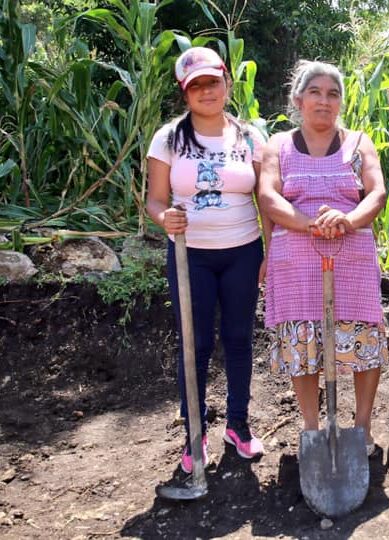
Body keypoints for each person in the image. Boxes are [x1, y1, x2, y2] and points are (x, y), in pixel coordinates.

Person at [146, 46, 269, 473]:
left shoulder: (251, 137)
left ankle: (238, 425)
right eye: (196, 86)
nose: (206, 92)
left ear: (226, 83)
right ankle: (193, 434)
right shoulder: (169, 138)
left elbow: (264, 200)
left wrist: (269, 253)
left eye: (212, 82)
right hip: (190, 256)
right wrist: (166, 219)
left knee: (238, 338)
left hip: (242, 250)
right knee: (195, 343)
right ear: (185, 93)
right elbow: (155, 200)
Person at [258, 61, 387, 456]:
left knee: (364, 338)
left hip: (351, 256)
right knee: (304, 343)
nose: (324, 101)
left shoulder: (358, 143)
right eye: (315, 92)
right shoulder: (277, 145)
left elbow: (377, 194)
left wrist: (345, 220)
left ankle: (361, 428)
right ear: (298, 99)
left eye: (333, 94)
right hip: (296, 260)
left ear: (341, 102)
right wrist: (310, 223)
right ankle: (312, 429)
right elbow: (268, 197)